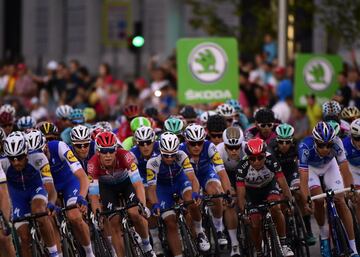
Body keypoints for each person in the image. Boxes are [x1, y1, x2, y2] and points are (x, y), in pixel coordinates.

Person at [87, 131, 156, 257]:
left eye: (111, 151)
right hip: (107, 188)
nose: (108, 155)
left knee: (135, 212)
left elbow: (138, 184)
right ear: (98, 152)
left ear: (116, 150)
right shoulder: (92, 164)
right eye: (103, 151)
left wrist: (142, 206)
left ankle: (147, 246)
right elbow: (94, 195)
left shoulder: (125, 155)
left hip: (126, 184)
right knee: (114, 221)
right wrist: (98, 215)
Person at [299, 122, 359, 257]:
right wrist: (306, 200)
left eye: (329, 145)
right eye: (321, 145)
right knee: (319, 200)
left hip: (329, 166)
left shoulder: (338, 142)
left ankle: (353, 248)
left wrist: (350, 189)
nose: (325, 149)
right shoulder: (305, 147)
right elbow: (303, 177)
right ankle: (324, 235)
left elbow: (344, 168)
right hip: (311, 169)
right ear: (315, 141)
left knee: (341, 201)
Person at [147, 132, 210, 256]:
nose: (170, 158)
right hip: (162, 188)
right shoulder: (153, 163)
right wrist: (155, 204)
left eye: (172, 155)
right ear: (160, 151)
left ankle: (199, 231)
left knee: (190, 200)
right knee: (170, 223)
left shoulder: (182, 155)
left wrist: (196, 193)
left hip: (180, 181)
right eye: (166, 155)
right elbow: (151, 189)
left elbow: (192, 179)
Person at [2, 132, 60, 257]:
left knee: (39, 212)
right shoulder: (2, 163)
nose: (16, 162)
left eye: (20, 157)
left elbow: (50, 187)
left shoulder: (39, 157)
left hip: (36, 189)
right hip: (17, 197)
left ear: (26, 152)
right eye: (12, 158)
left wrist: (51, 203)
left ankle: (54, 253)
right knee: (24, 237)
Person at [236, 138, 294, 257]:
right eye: (252, 158)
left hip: (269, 188)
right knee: (255, 224)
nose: (257, 161)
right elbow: (241, 193)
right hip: (252, 193)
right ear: (248, 157)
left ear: (265, 155)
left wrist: (289, 201)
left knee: (276, 208)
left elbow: (282, 181)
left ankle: (283, 244)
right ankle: (259, 252)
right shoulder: (242, 166)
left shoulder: (271, 160)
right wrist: (242, 212)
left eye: (260, 157)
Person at [180, 124, 231, 246]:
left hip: (206, 173)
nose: (197, 146)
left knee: (216, 192)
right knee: (192, 200)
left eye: (200, 142)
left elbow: (222, 173)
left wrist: (227, 192)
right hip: (189, 176)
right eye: (193, 143)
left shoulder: (210, 147)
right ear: (186, 141)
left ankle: (219, 229)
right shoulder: (180, 150)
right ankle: (199, 231)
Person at [43, 136, 94, 257]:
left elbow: (82, 177)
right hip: (49, 187)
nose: (42, 155)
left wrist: (81, 197)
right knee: (48, 218)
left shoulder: (59, 146)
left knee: (74, 216)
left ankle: (89, 253)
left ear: (46, 146)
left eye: (43, 151)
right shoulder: (32, 158)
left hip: (69, 183)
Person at [268, 123, 316, 245]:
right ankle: (286, 232)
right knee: (282, 200)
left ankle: (308, 228)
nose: (284, 145)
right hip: (277, 174)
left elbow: (302, 167)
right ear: (276, 140)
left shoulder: (298, 145)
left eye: (287, 142)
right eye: (281, 142)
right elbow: (271, 170)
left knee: (299, 193)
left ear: (292, 141)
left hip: (292, 172)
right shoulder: (271, 147)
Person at [130, 126, 163, 255]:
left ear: (154, 141)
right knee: (148, 198)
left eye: (148, 142)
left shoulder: (161, 147)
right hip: (143, 178)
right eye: (141, 144)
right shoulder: (133, 154)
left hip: (161, 176)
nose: (145, 146)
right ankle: (155, 239)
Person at [216, 127, 245, 257]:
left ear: (242, 144)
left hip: (244, 173)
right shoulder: (218, 150)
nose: (233, 151)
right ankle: (235, 244)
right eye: (230, 147)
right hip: (226, 174)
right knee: (229, 204)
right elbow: (218, 175)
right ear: (224, 145)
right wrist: (227, 190)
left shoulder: (247, 149)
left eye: (237, 147)